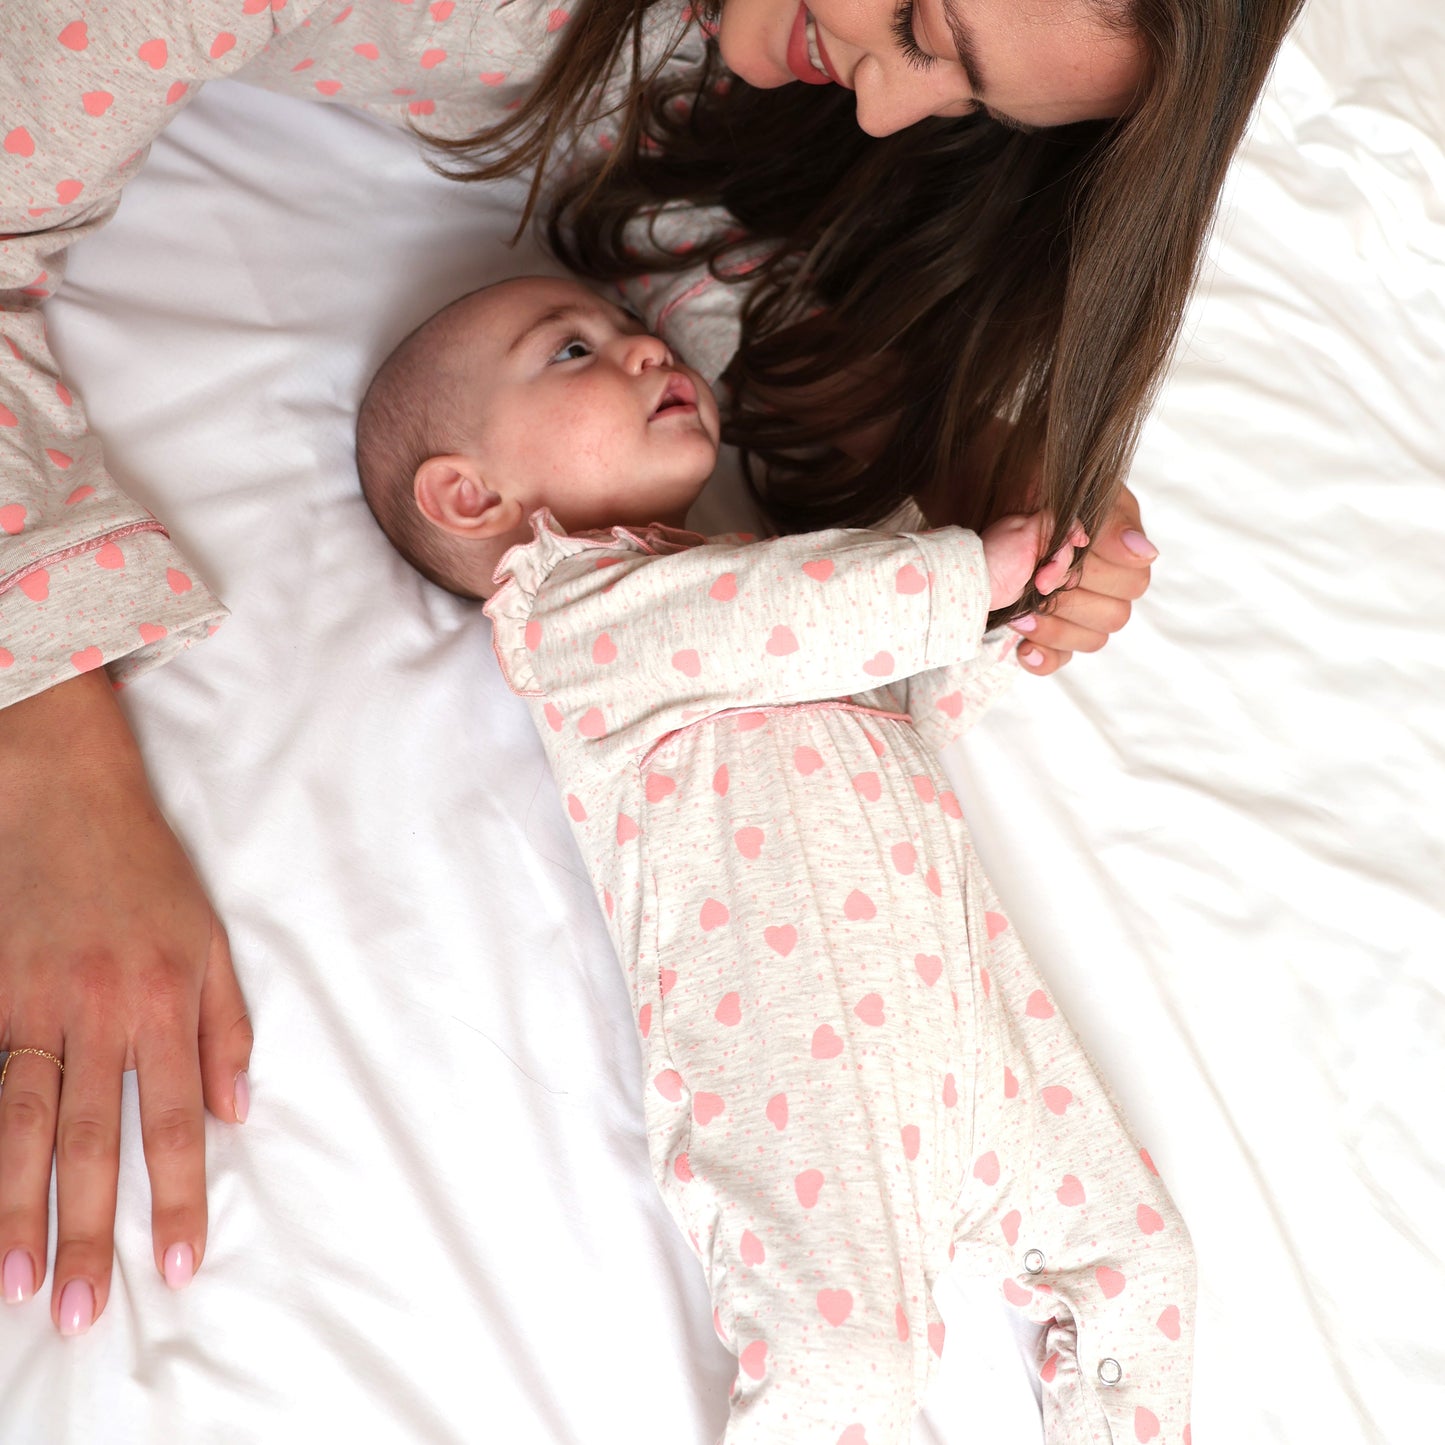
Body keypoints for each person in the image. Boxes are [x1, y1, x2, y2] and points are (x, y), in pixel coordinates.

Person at [0, 0, 1299, 1334]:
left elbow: (700, 238)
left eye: (966, 101)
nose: (882, 110)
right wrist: (46, 739)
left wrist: (965, 455)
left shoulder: (786, 100)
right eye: (917, 24)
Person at [354, 272, 1196, 1442]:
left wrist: (1018, 616)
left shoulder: (776, 575)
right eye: (571, 350)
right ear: (469, 493)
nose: (645, 350)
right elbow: (780, 614)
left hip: (971, 1020)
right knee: (844, 1366)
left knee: (1141, 1261)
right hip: (801, 1068)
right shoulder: (568, 616)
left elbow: (896, 682)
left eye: (632, 328)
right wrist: (969, 574)